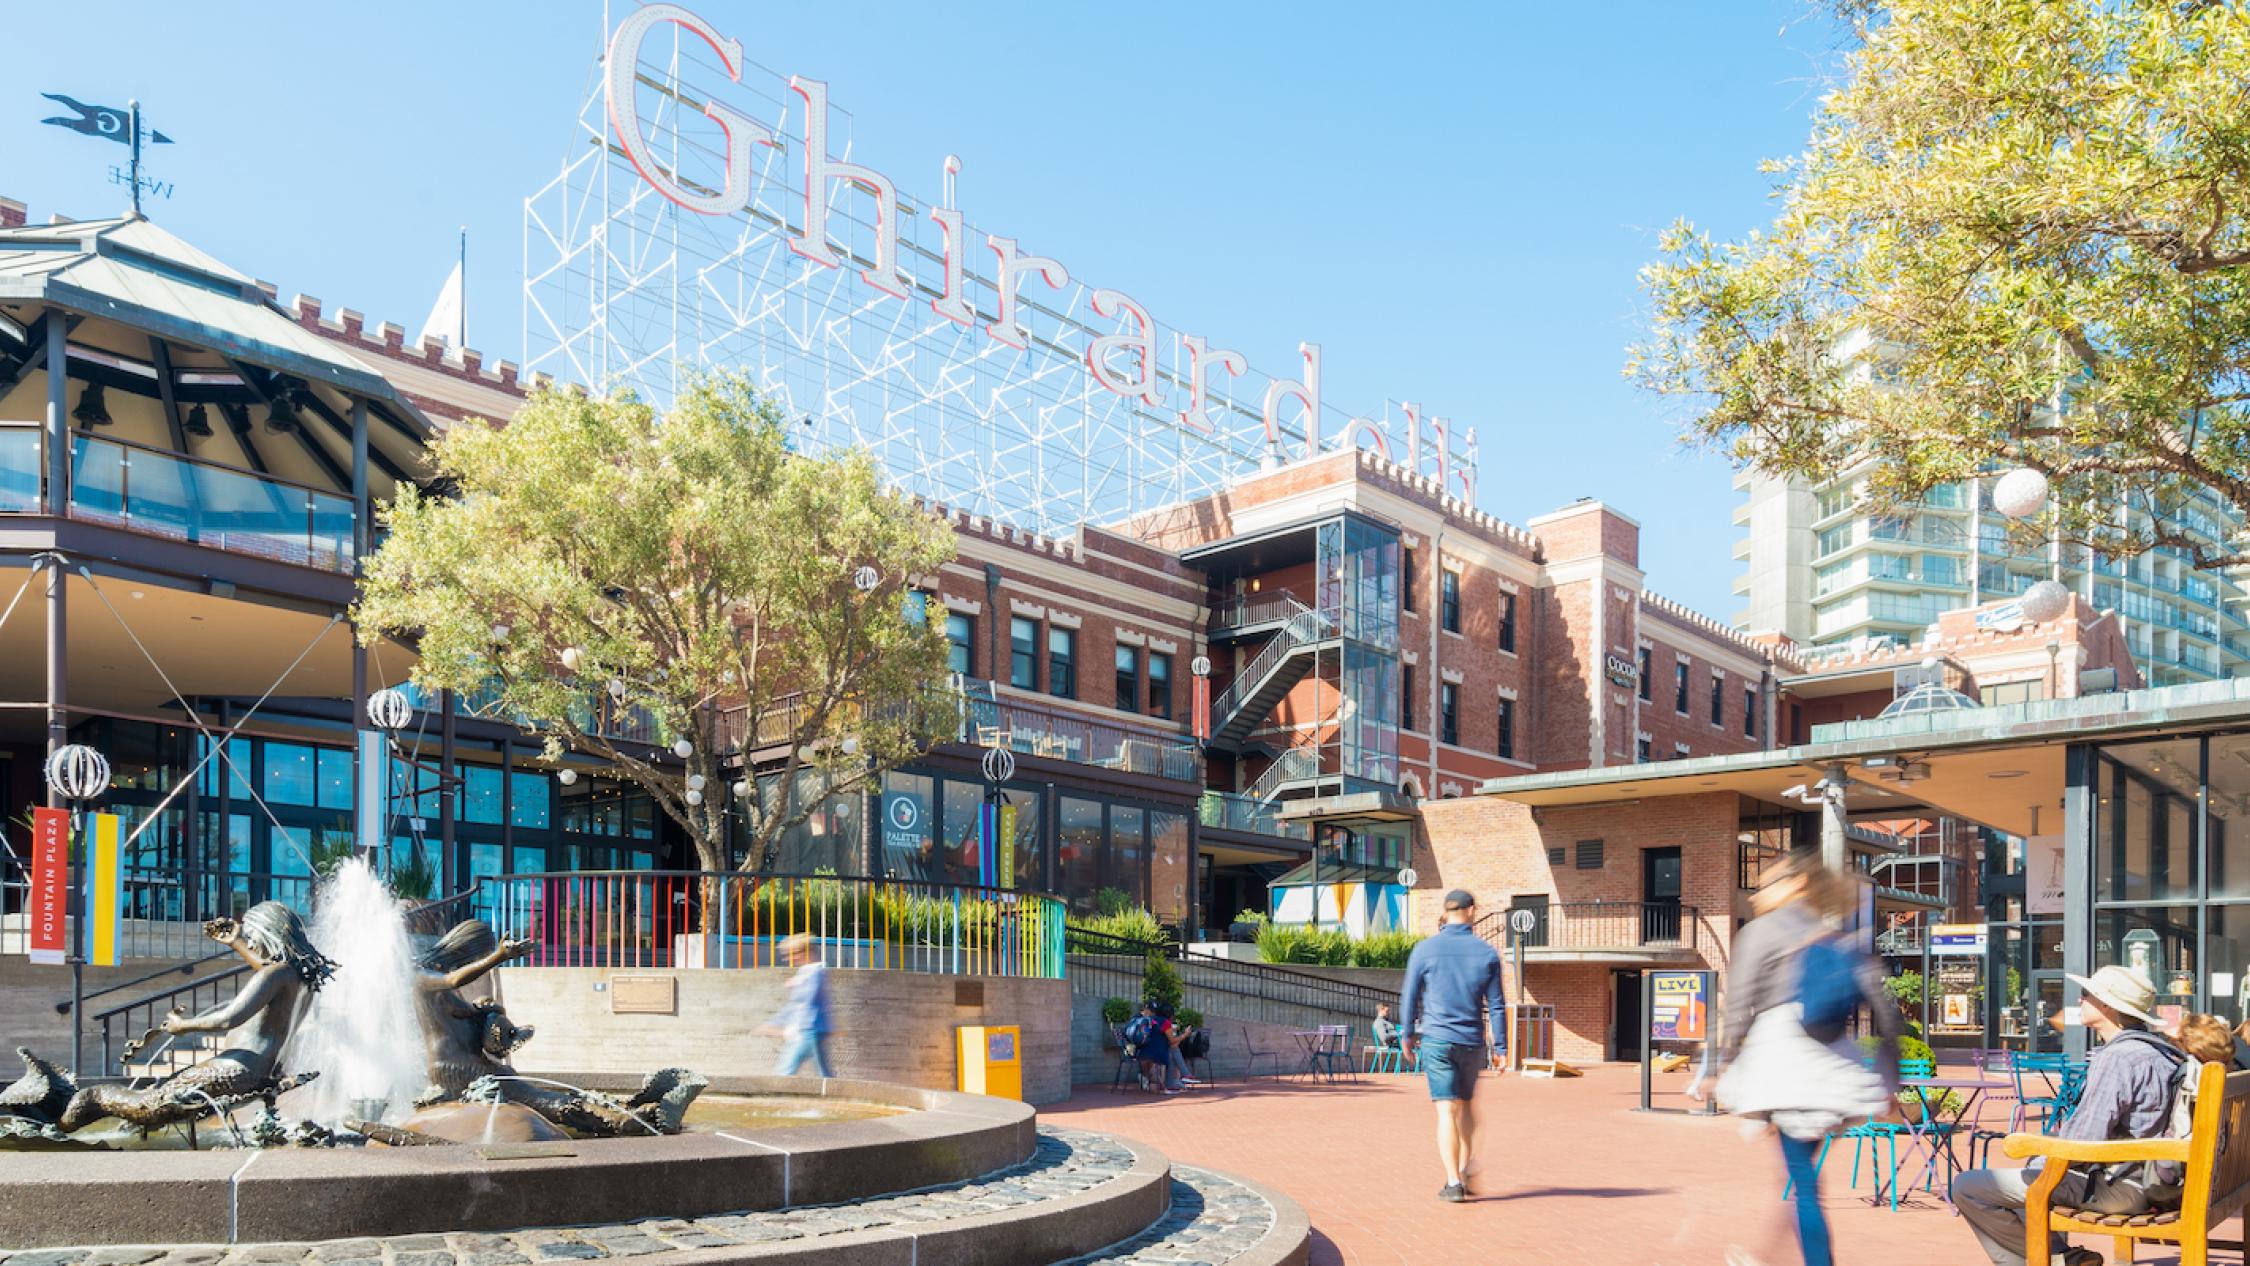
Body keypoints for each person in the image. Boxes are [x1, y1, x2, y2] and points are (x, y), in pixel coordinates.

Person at [1704, 850, 1898, 1266]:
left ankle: (1811, 1260)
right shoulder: (1839, 939)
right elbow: (1885, 1015)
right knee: (1799, 1176)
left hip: (1786, 1065)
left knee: (1804, 1185)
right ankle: (1766, 1256)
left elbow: (1736, 1008)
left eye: (1766, 885)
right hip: (1836, 1069)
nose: (1756, 896)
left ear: (1797, 884)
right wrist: (1889, 1080)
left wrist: (1717, 1066)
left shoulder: (1761, 932)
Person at [1954, 965, 2189, 1266]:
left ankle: (2060, 1260)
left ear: (2107, 1005)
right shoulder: (2162, 1052)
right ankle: (2064, 1258)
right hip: (2151, 1182)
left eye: (2086, 994)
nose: (2080, 1000)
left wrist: (2038, 1156)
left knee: (1968, 1187)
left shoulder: (2118, 1059)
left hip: (2120, 1187)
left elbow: (2081, 1141)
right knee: (2032, 1175)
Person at [1398, 889, 1506, 1202]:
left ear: (1446, 913)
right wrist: (1501, 1047)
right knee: (1468, 1105)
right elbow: (1496, 1004)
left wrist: (1407, 1035)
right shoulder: (1486, 953)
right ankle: (1465, 1167)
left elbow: (1410, 995)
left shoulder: (1425, 949)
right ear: (1471, 910)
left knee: (1446, 1110)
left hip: (1437, 1039)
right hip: (1471, 1040)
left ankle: (1453, 1182)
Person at [766, 933, 834, 1077]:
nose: (789, 958)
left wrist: (799, 983)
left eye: (794, 953)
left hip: (810, 1030)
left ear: (807, 952)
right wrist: (775, 1023)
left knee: (785, 1071)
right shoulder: (805, 972)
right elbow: (794, 1004)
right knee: (824, 1074)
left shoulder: (816, 972)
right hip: (809, 1030)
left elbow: (810, 998)